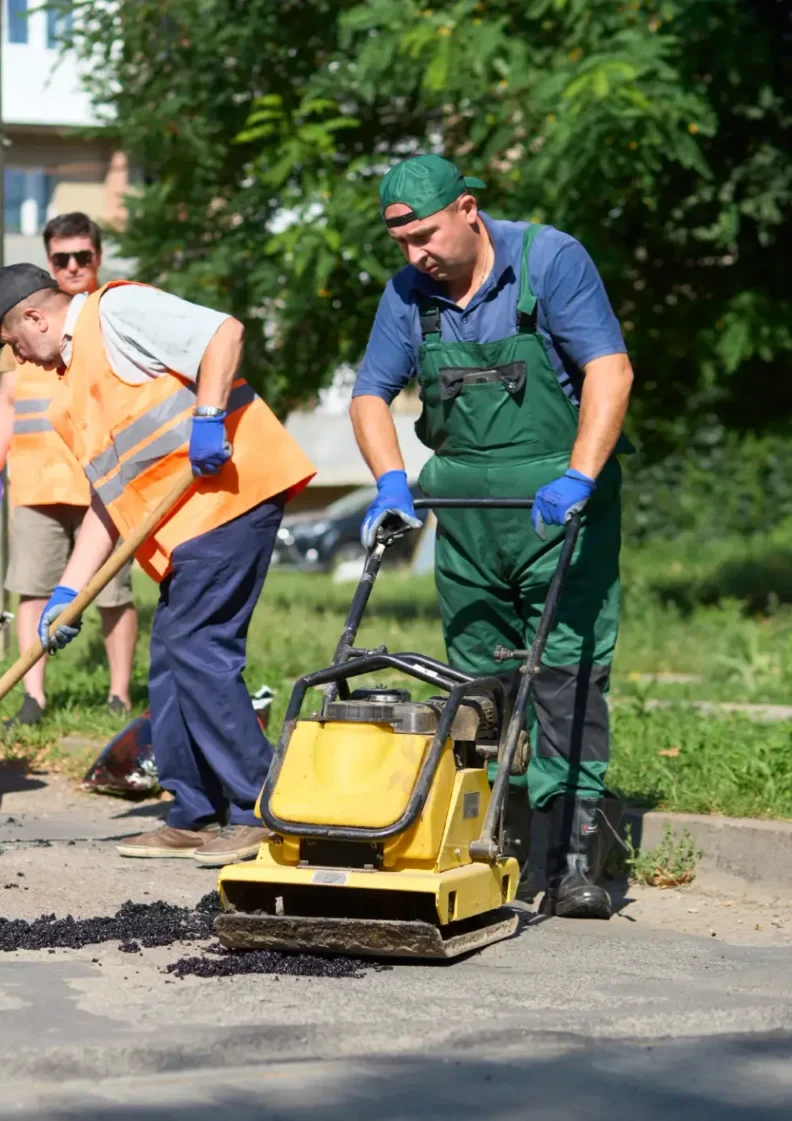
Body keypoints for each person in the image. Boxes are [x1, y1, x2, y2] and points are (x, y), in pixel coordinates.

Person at [351, 154, 634, 919]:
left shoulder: (548, 261)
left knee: (566, 671)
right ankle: (493, 840)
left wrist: (579, 474)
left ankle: (575, 856)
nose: (418, 258)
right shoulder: (411, 293)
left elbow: (609, 369)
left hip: (556, 504)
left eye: (429, 237)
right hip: (469, 511)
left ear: (468, 209)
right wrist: (389, 480)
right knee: (480, 681)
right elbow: (370, 394)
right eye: (404, 246)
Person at [0, 264, 315, 867]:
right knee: (170, 663)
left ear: (34, 317)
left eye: (13, 341)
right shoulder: (69, 397)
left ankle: (260, 806)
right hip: (187, 529)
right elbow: (107, 504)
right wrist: (68, 592)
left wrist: (208, 417)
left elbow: (224, 334)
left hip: (233, 498)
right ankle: (193, 813)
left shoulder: (115, 313)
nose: (18, 357)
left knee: (198, 648)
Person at [0, 213, 137, 726]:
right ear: (48, 263)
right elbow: (6, 401)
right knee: (33, 587)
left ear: (98, 258)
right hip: (36, 478)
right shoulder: (25, 323)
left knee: (113, 591)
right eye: (60, 258)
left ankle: (119, 695)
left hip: (102, 481)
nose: (71, 266)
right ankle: (33, 697)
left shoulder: (108, 317)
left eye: (81, 257)